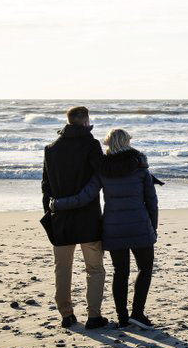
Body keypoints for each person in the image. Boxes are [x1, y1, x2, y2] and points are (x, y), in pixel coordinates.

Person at [41, 106, 141, 329]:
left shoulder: (51, 149)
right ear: (86, 121)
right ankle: (93, 316)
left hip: (61, 219)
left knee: (62, 269)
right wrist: (135, 161)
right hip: (88, 220)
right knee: (95, 269)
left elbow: (45, 187)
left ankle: (66, 315)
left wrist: (50, 214)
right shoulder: (90, 144)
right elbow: (105, 169)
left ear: (68, 121)